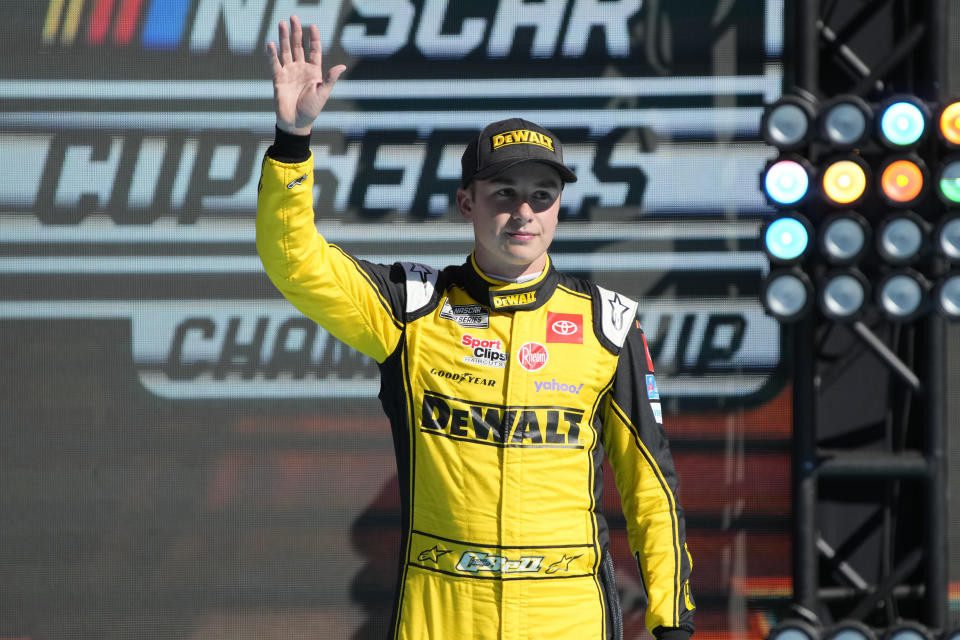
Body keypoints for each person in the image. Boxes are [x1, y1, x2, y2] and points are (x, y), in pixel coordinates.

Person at [257, 15, 695, 640]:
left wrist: (672, 621)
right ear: (467, 202)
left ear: (560, 206)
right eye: (504, 194)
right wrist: (293, 140)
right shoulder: (409, 306)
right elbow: (293, 260)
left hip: (567, 619)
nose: (524, 213)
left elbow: (650, 484)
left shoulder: (608, 324)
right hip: (441, 617)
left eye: (542, 196)